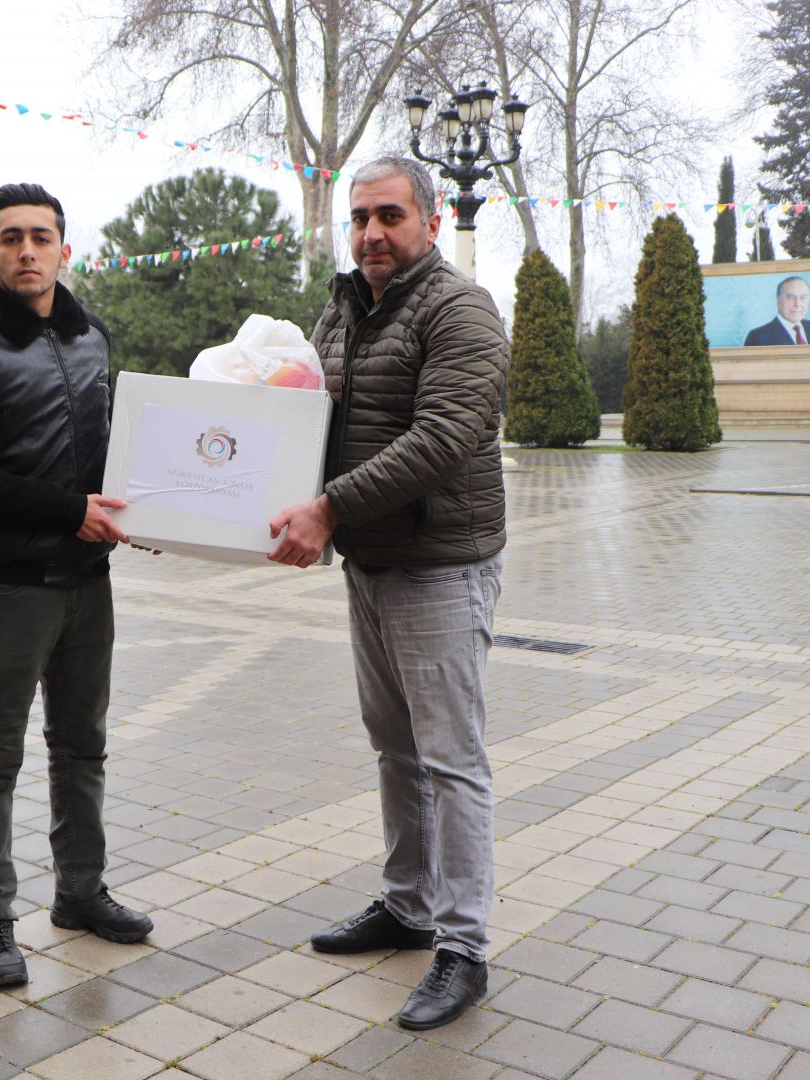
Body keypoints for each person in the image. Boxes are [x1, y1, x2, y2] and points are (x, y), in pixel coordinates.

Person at [267, 154, 511, 1031]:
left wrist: (327, 508)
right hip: (369, 563)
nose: (372, 233)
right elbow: (303, 422)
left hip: (439, 565)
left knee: (450, 759)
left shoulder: (460, 309)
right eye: (360, 218)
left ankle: (464, 949)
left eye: (390, 216)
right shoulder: (341, 312)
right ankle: (408, 907)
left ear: (431, 223)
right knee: (394, 748)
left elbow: (442, 437)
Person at [0, 182, 151, 989]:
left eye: (40, 237)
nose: (26, 250)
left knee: (82, 746)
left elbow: (110, 450)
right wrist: (66, 512)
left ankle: (81, 892)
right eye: (11, 237)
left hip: (90, 581)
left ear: (64, 249)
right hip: (7, 587)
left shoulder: (92, 337)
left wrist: (150, 511)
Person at [744, 275, 810, 346]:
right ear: (778, 300)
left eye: (803, 298)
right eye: (790, 297)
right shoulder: (758, 337)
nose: (797, 304)